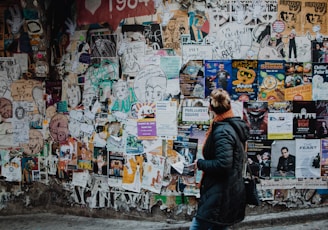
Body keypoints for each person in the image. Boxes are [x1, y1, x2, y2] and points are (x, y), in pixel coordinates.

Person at [190, 88, 250, 230]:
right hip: (225, 189)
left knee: (199, 225)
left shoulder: (222, 131)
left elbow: (223, 164)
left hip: (220, 192)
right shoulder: (228, 126)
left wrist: (200, 163)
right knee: (219, 225)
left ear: (211, 108)